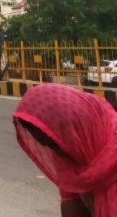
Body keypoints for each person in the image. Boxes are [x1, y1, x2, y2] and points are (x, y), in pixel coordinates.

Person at [13, 83, 117, 216]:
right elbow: (71, 206)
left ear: (78, 129)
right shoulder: (75, 160)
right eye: (50, 146)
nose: (58, 155)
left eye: (57, 145)